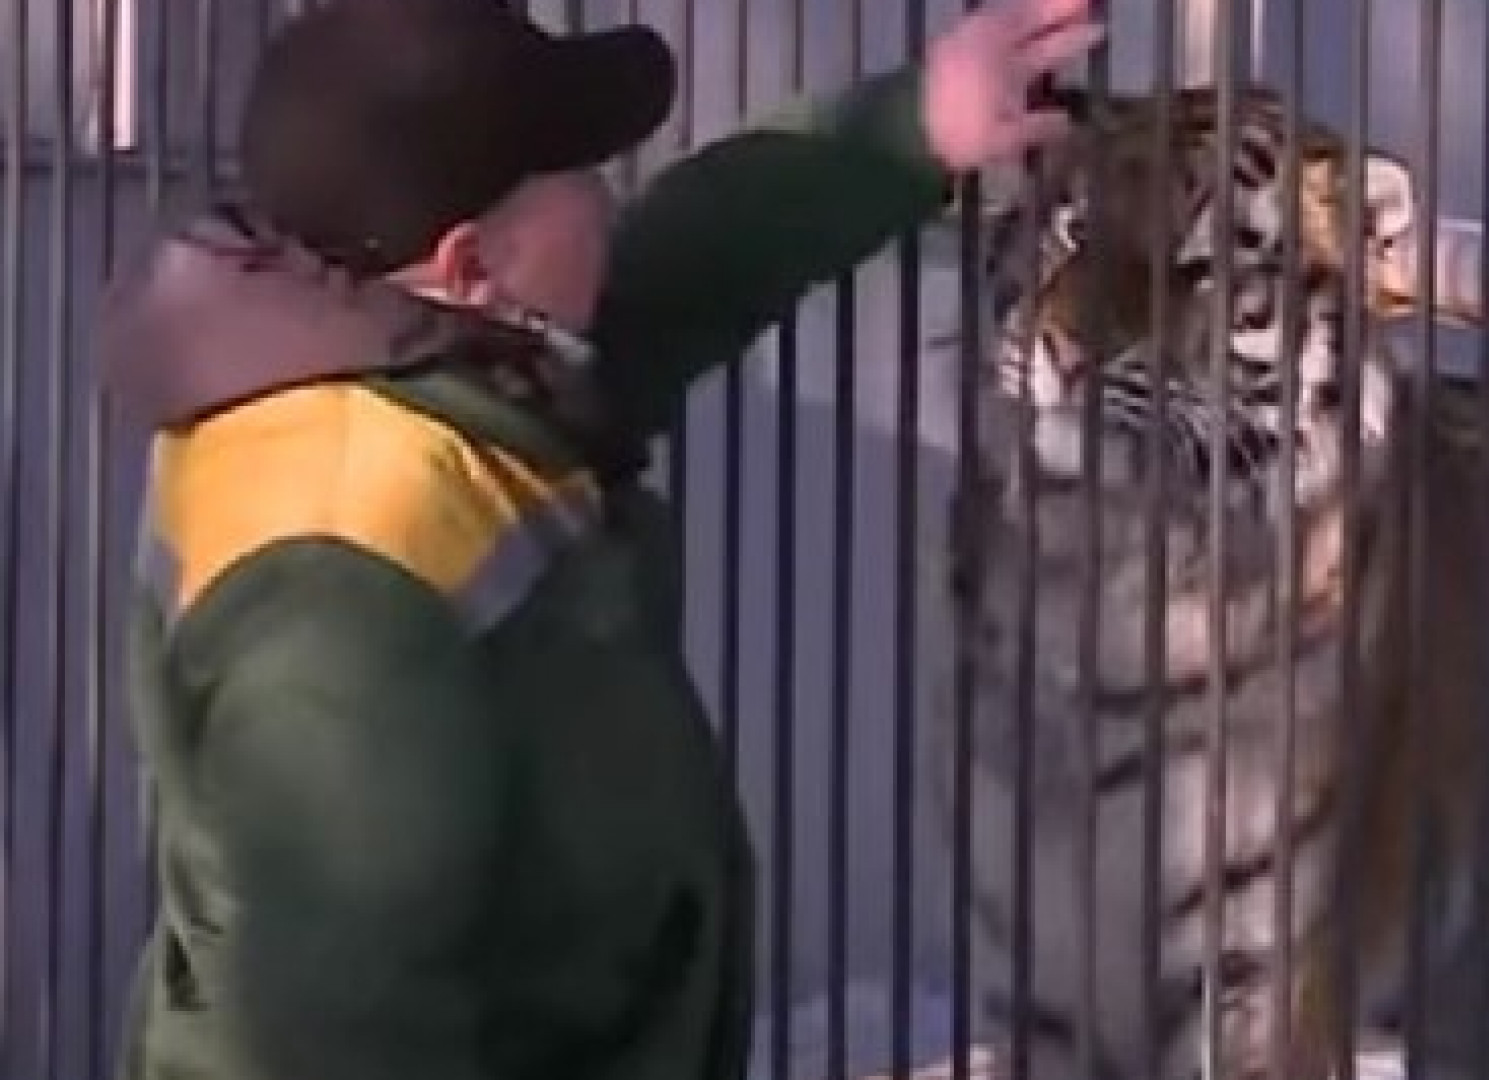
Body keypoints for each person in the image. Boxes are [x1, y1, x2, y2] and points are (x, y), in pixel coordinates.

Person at [91, 0, 1099, 1076]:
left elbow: (692, 260)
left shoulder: (415, 357)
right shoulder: (345, 577)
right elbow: (334, 1035)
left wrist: (915, 122)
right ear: (472, 265)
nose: (607, 200)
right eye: (576, 177)